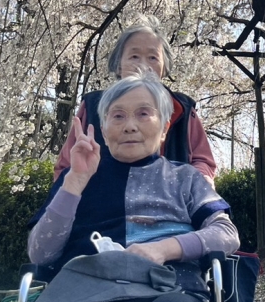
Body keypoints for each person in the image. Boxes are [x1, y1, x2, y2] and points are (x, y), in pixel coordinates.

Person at [24, 71, 239, 302]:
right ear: (103, 127)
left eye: (143, 113)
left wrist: (163, 249)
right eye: (118, 116)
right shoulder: (77, 177)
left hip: (168, 291)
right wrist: (75, 181)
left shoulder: (184, 178)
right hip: (85, 297)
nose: (130, 125)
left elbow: (226, 233)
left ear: (165, 127)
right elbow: (40, 253)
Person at [54, 15, 217, 182]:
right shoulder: (93, 105)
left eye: (153, 58)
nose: (143, 65)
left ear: (164, 67)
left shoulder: (182, 109)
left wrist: (197, 184)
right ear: (118, 65)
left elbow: (203, 161)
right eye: (134, 57)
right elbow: (66, 166)